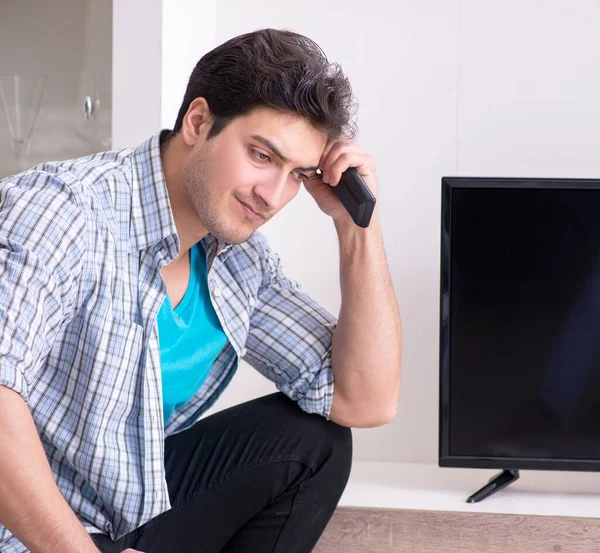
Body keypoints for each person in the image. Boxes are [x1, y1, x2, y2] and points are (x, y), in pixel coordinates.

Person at [0, 28, 402, 553]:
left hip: (119, 517)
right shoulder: (61, 211)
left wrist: (357, 227)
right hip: (25, 531)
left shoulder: (238, 261)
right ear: (198, 121)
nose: (274, 196)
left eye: (297, 174)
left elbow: (363, 399)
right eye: (261, 156)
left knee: (316, 442)